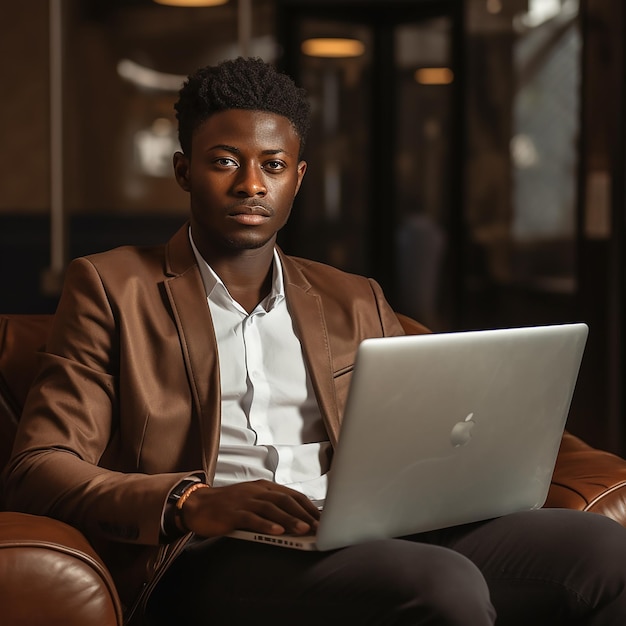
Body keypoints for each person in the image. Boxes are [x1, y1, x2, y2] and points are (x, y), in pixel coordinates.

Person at [3, 56, 626, 626]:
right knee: (439, 585)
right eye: (225, 161)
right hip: (213, 548)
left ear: (297, 178)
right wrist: (191, 502)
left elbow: (452, 414)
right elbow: (38, 468)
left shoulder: (353, 298)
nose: (252, 184)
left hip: (365, 525)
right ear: (184, 170)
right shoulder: (111, 288)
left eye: (272, 165)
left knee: (606, 551)